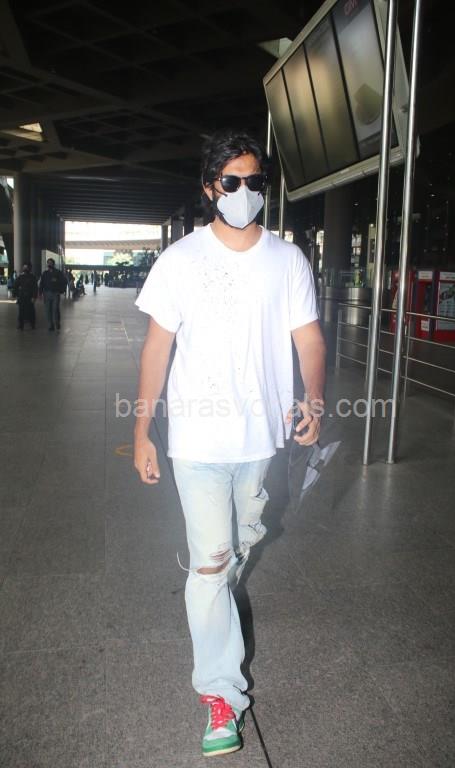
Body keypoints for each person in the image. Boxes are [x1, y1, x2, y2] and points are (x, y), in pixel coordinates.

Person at [133, 130, 326, 757]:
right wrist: (141, 429)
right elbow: (157, 348)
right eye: (232, 181)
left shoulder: (288, 260)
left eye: (255, 181)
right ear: (210, 188)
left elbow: (309, 340)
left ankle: (215, 575)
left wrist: (313, 398)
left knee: (243, 540)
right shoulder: (179, 260)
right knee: (213, 563)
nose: (245, 192)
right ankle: (220, 695)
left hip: (260, 440)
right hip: (196, 440)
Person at [40, 257, 66, 330]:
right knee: (48, 310)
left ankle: (57, 323)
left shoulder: (58, 273)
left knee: (55, 309)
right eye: (48, 263)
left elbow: (63, 282)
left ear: (53, 264)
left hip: (55, 294)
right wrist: (40, 293)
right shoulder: (45, 273)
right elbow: (42, 283)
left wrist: (61, 290)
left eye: (50, 263)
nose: (49, 264)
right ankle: (50, 325)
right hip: (47, 294)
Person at [13, 262, 38, 329]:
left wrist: (34, 297)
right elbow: (15, 286)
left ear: (29, 268)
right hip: (22, 296)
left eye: (26, 267)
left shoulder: (32, 277)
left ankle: (32, 324)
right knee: (21, 311)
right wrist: (15, 295)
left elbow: (35, 288)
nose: (25, 268)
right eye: (24, 267)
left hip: (30, 297)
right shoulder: (20, 277)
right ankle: (21, 325)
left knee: (31, 311)